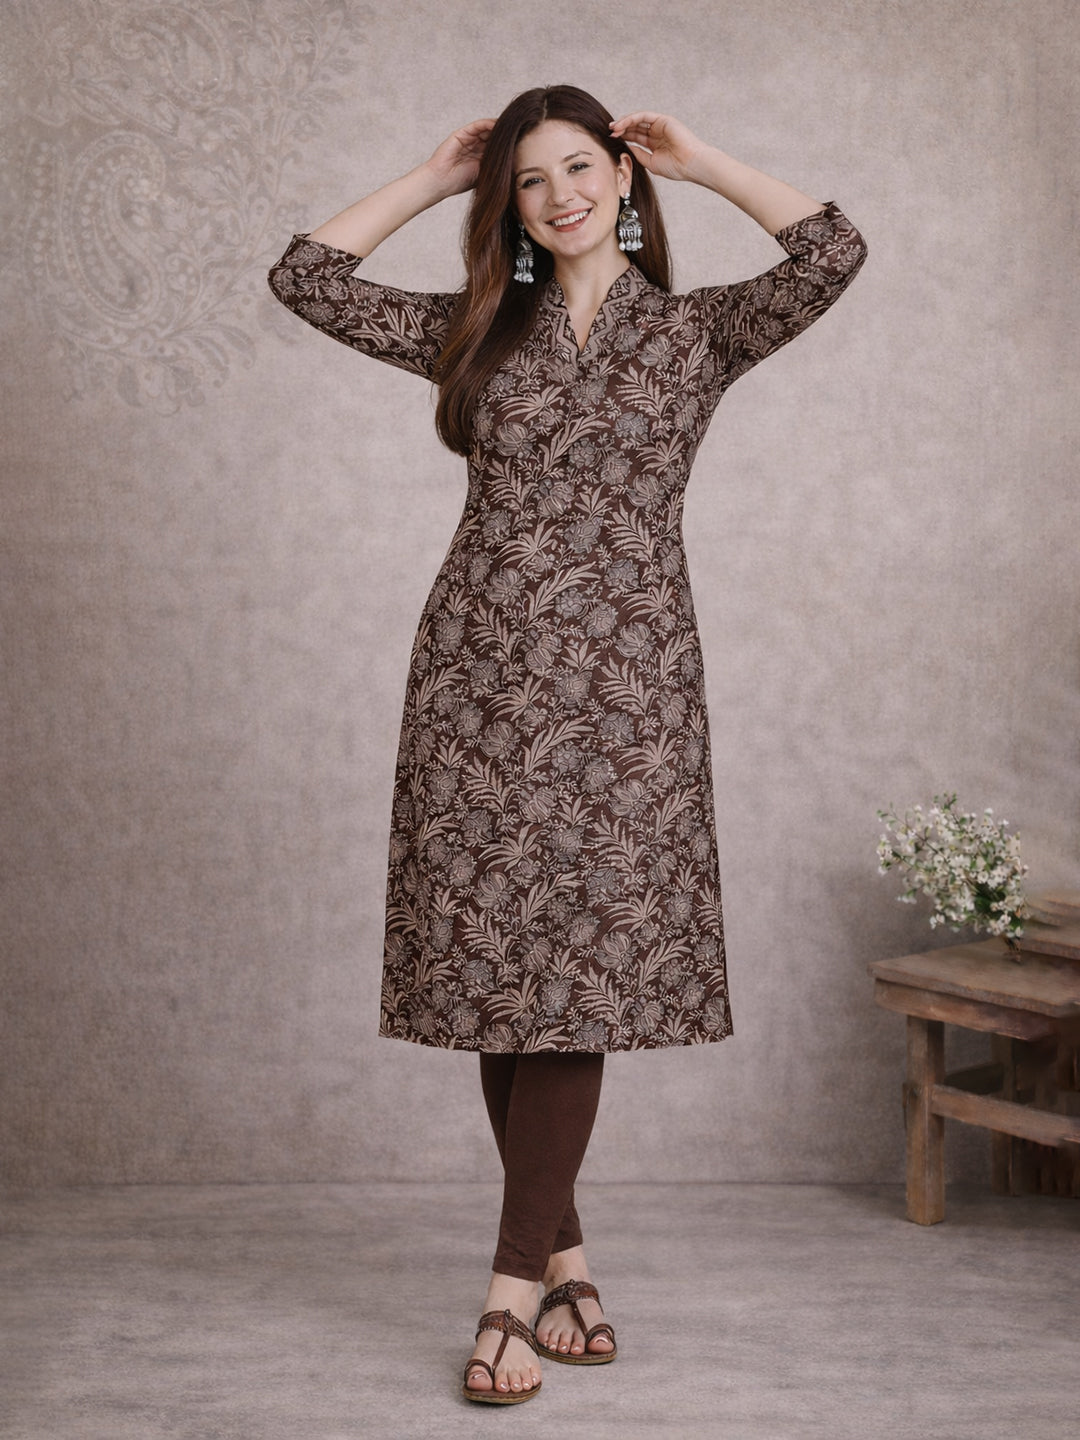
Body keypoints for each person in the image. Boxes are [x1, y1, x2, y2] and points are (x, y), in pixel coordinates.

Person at [268, 84, 866, 1406]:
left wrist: (702, 160)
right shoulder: (478, 332)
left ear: (621, 177)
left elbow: (833, 251)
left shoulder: (697, 334)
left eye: (580, 168)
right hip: (480, 685)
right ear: (513, 205)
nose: (561, 196)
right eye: (531, 180)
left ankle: (506, 1289)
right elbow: (304, 279)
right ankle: (562, 1265)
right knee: (506, 976)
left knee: (576, 984)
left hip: (629, 699)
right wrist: (437, 178)